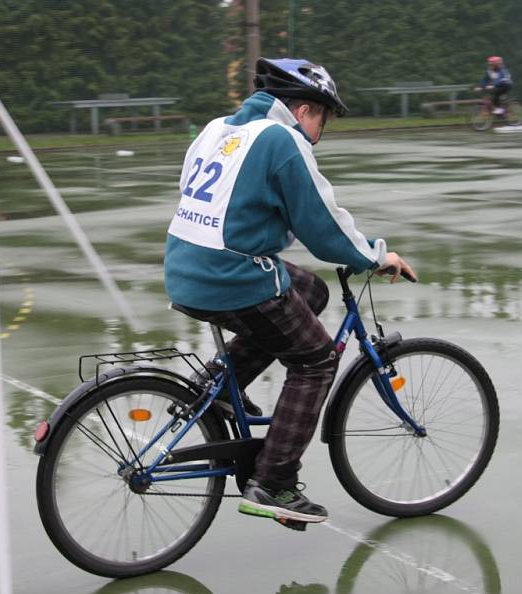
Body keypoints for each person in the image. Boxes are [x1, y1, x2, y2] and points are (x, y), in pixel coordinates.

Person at [163, 57, 416, 526]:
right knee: (317, 358)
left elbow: (199, 193)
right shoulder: (282, 140)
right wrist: (378, 257)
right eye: (323, 118)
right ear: (303, 110)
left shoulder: (218, 128)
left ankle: (218, 387)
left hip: (185, 266)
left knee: (310, 292)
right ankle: (274, 482)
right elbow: (324, 225)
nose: (321, 130)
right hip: (230, 276)